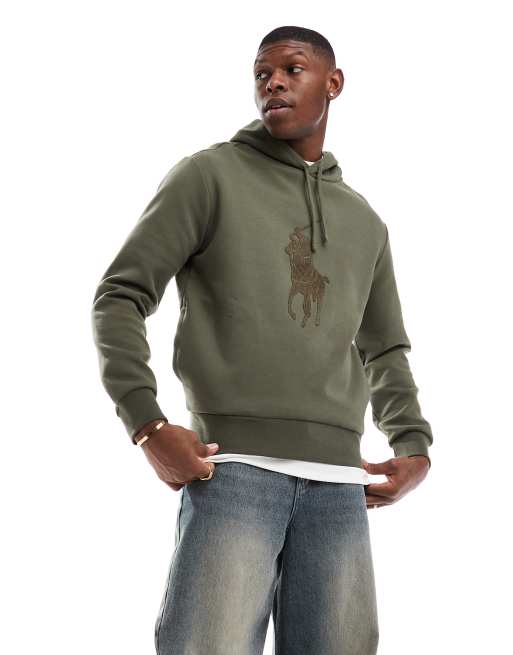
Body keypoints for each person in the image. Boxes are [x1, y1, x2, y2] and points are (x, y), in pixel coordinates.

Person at [91, 25, 433, 655]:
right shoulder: (208, 177)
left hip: (340, 487)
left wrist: (413, 444)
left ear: (333, 83)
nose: (273, 83)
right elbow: (121, 295)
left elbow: (384, 346)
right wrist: (147, 424)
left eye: (292, 69)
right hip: (233, 472)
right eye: (261, 74)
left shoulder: (364, 222)